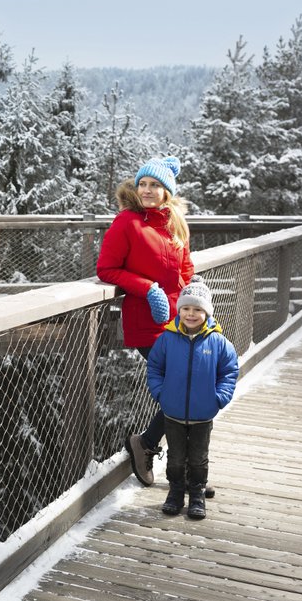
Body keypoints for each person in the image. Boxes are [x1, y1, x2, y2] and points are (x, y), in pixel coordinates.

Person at [96, 156, 193, 487]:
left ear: (167, 191)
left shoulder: (175, 224)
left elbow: (186, 270)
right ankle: (170, 458)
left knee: (187, 391)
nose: (148, 190)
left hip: (179, 323)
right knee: (183, 390)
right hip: (146, 323)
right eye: (143, 184)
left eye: (155, 185)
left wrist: (190, 303)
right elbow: (106, 270)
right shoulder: (127, 222)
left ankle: (153, 447)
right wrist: (147, 288)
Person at [147, 275, 238, 519]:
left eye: (197, 309)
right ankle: (175, 493)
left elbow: (229, 371)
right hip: (173, 412)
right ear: (179, 310)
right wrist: (160, 393)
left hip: (203, 413)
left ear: (207, 313)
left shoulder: (218, 342)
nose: (190, 314)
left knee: (198, 458)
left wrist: (219, 397)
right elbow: (154, 367)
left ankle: (197, 495)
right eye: (186, 308)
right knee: (176, 458)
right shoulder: (167, 339)